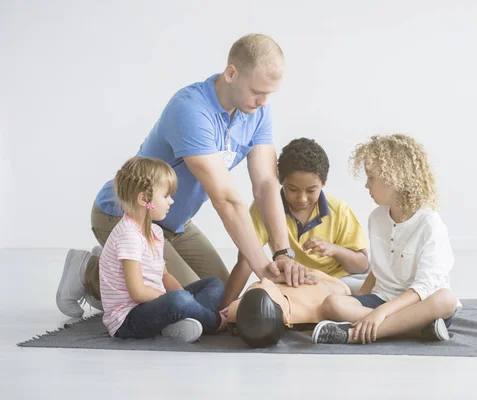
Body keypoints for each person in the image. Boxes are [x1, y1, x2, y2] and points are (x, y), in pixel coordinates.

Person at [56, 33, 315, 319]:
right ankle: (89, 270)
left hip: (173, 222)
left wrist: (282, 254)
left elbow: (266, 185)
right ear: (231, 73)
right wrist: (263, 267)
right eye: (258, 91)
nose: (264, 102)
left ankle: (115, 268)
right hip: (126, 215)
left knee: (218, 296)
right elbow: (226, 200)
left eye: (270, 94)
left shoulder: (257, 112)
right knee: (188, 308)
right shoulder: (191, 109)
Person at [312, 134, 462, 345]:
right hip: (383, 298)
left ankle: (354, 335)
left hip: (420, 304)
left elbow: (424, 287)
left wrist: (381, 313)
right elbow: (380, 268)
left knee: (447, 299)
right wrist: (358, 300)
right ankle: (415, 330)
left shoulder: (430, 224)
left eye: (371, 177)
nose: (366, 185)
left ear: (395, 178)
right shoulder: (377, 218)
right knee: (331, 305)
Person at [221, 138, 369, 307]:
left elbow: (362, 265)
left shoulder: (339, 210)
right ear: (280, 181)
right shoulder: (265, 208)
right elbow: (245, 261)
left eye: (311, 190)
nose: (302, 198)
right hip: (296, 284)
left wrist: (335, 250)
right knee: (257, 299)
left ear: (323, 183)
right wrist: (224, 310)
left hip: (341, 281)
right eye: (292, 189)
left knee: (355, 295)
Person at [100, 157, 226, 342]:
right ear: (144, 199)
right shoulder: (129, 235)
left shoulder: (154, 231)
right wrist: (177, 298)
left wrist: (181, 296)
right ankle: (216, 322)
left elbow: (164, 276)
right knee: (179, 301)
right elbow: (137, 292)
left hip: (154, 305)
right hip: (129, 319)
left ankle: (182, 319)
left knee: (215, 284)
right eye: (166, 196)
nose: (171, 201)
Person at [225, 269, 350, 348]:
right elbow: (343, 290)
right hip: (335, 280)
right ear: (285, 316)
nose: (263, 280)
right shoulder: (314, 307)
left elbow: (225, 314)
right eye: (266, 289)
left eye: (258, 286)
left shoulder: (237, 312)